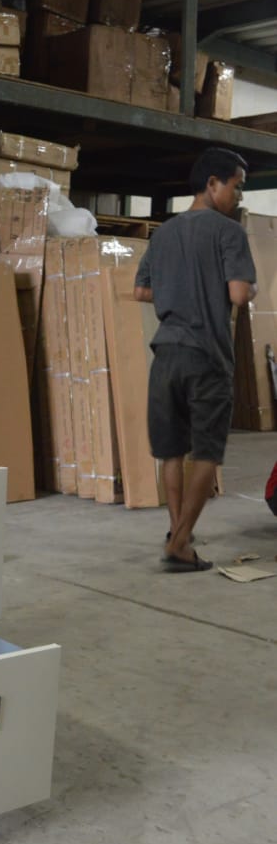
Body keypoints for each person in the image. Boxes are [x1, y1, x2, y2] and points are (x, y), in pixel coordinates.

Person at [134, 147, 257, 571]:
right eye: (237, 186)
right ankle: (180, 543)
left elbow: (141, 290)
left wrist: (180, 289)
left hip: (166, 353)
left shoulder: (163, 234)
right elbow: (238, 294)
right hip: (206, 355)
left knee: (171, 451)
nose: (239, 196)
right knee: (206, 453)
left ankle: (177, 534)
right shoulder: (229, 232)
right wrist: (251, 288)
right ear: (212, 183)